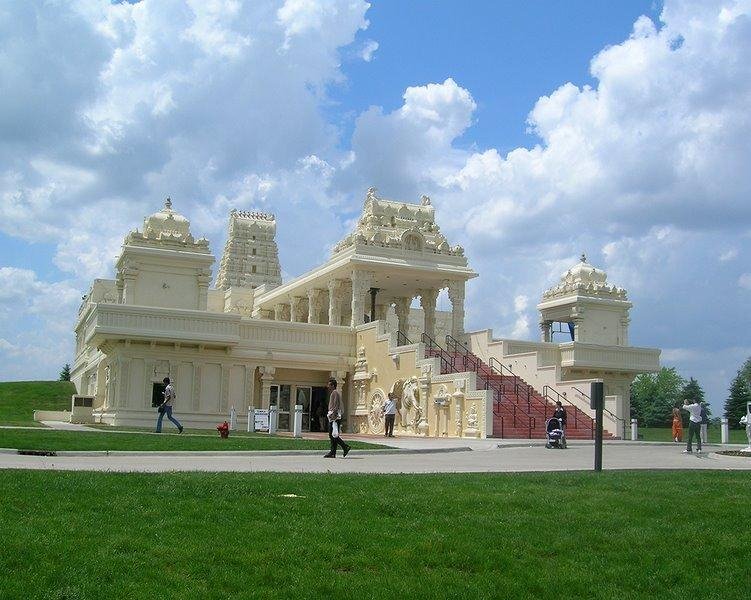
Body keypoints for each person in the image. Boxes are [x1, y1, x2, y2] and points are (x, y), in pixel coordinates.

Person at [323, 377, 350, 458]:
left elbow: (336, 405)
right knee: (333, 434)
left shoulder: (335, 393)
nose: (328, 386)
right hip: (333, 416)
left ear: (333, 385)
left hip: (334, 417)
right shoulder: (334, 393)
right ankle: (333, 452)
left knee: (332, 435)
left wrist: (333, 416)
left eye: (329, 385)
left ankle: (345, 447)